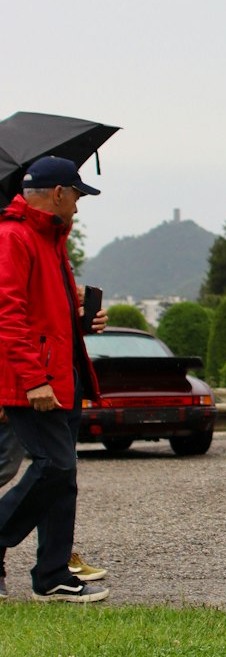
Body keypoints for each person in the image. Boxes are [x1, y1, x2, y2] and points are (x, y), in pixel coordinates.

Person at [0, 156, 110, 601]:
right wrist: (34, 380)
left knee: (64, 477)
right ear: (59, 193)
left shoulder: (51, 240)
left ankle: (53, 576)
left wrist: (83, 319)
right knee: (55, 466)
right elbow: (7, 316)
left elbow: (45, 313)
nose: (79, 207)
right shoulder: (13, 237)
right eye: (78, 196)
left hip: (63, 377)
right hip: (35, 383)